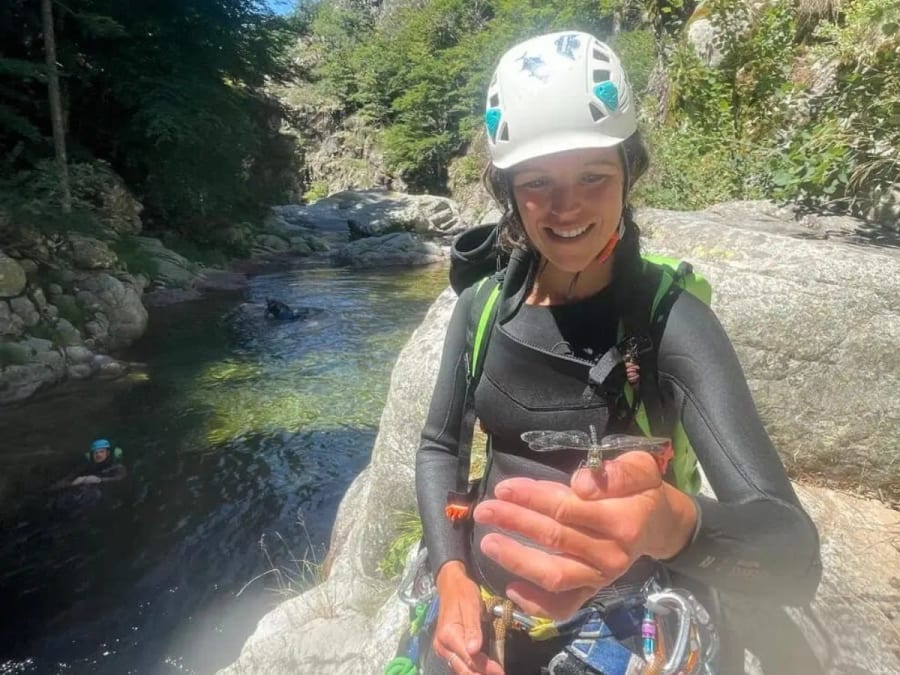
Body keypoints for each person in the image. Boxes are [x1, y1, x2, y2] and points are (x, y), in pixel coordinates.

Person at [414, 31, 822, 675]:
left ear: (630, 173)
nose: (566, 205)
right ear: (510, 192)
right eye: (538, 181)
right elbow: (440, 447)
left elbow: (793, 557)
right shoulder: (483, 307)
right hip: (483, 616)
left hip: (626, 624)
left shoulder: (672, 323)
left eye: (594, 177)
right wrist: (451, 575)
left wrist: (675, 524)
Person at [52, 438, 127, 489]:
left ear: (107, 453)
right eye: (96, 452)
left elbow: (120, 479)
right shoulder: (87, 466)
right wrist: (73, 484)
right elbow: (63, 481)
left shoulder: (117, 467)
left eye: (101, 451)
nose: (98, 455)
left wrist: (99, 480)